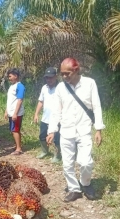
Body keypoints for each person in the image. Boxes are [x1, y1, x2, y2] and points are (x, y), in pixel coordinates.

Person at [46, 58, 105, 202]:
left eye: (68, 74)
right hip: (66, 131)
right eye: (62, 74)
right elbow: (56, 112)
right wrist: (52, 130)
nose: (65, 77)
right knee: (67, 163)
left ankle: (85, 183)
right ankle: (74, 189)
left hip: (84, 130)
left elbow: (96, 107)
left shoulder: (89, 84)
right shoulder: (61, 88)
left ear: (76, 70)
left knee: (86, 162)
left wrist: (98, 129)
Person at [33, 67, 61, 163]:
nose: (49, 80)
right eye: (47, 78)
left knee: (57, 139)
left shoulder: (60, 88)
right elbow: (41, 102)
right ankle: (45, 151)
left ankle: (57, 155)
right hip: (45, 118)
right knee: (42, 136)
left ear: (56, 77)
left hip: (58, 119)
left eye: (51, 77)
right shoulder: (44, 88)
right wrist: (36, 114)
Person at [4, 68, 25, 155]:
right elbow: (10, 100)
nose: (9, 78)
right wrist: (6, 111)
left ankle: (18, 149)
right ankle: (18, 146)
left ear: (16, 76)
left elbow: (20, 100)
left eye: (10, 76)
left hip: (16, 113)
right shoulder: (12, 86)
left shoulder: (20, 86)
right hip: (11, 112)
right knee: (14, 130)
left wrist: (15, 113)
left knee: (15, 130)